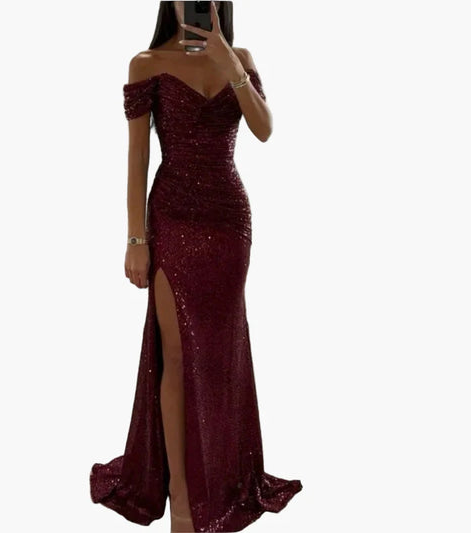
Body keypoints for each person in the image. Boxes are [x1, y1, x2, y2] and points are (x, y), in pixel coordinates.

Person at [89, 2, 302, 532]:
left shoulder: (239, 58)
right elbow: (137, 157)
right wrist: (135, 238)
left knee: (219, 354)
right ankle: (182, 501)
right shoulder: (146, 63)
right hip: (172, 217)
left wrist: (229, 63)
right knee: (178, 355)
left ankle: (222, 477)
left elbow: (265, 130)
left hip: (229, 220)